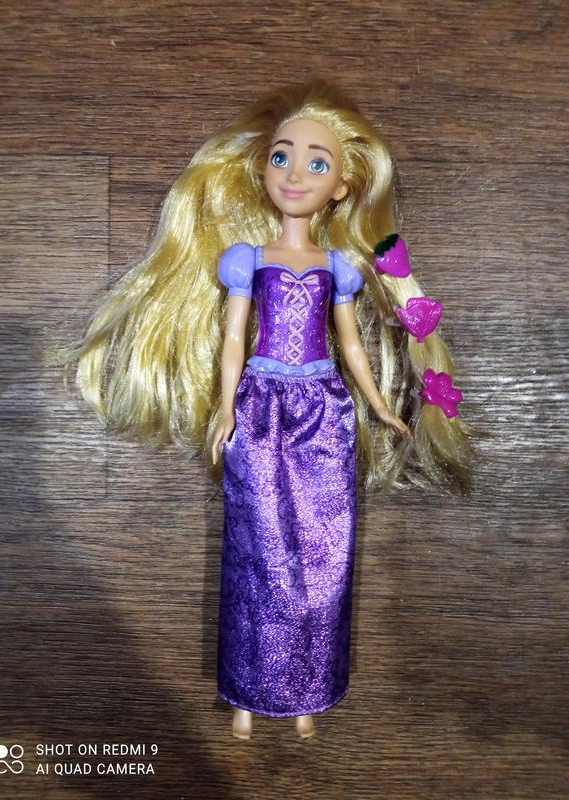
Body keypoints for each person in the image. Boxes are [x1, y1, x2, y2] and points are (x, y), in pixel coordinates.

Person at [46, 78, 477, 741]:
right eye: (282, 156)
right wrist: (225, 409)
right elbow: (232, 341)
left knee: (325, 550)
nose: (295, 174)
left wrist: (380, 407)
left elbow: (352, 347)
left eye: (316, 163)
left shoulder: (338, 267)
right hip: (261, 403)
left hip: (322, 406)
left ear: (342, 188)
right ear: (261, 169)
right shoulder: (247, 260)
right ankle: (245, 693)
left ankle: (308, 691)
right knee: (253, 549)